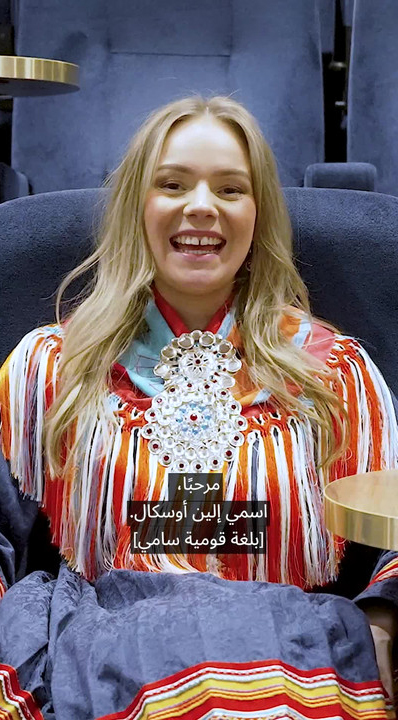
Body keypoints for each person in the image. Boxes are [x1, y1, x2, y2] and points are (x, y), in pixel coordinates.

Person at [0, 95, 397, 720]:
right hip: (105, 654)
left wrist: (382, 616)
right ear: (138, 206)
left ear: (258, 214)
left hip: (293, 656)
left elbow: (392, 540)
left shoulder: (333, 375)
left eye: (231, 188)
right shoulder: (50, 371)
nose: (202, 206)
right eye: (173, 184)